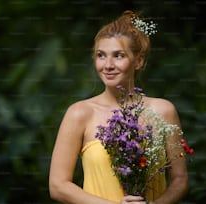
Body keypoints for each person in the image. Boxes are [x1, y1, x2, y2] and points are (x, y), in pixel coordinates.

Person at [49, 10, 188, 204]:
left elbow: (180, 180)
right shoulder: (79, 113)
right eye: (101, 55)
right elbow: (58, 186)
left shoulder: (163, 111)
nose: (108, 65)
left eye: (119, 55)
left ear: (138, 61)